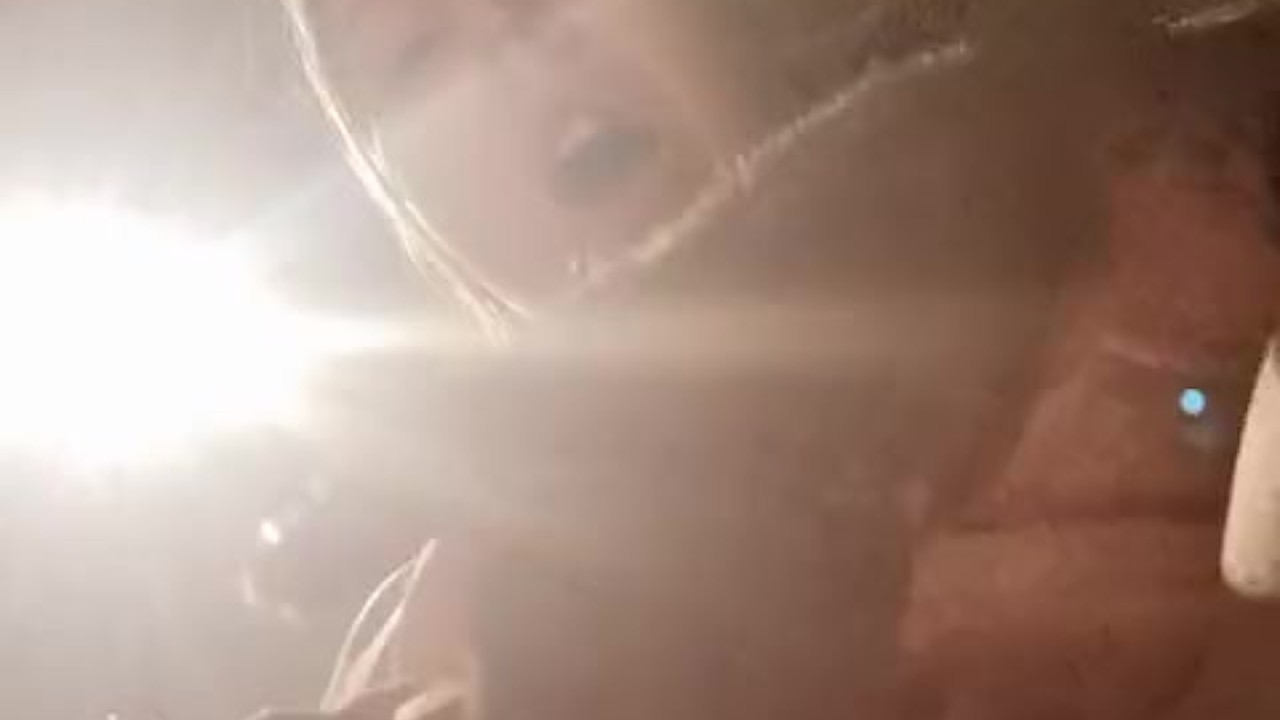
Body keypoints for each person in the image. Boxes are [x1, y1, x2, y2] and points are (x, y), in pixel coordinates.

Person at [254, 1, 1280, 719]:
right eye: (418, 54)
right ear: (407, 209)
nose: (513, 33)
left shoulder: (1133, 192)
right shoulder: (425, 626)